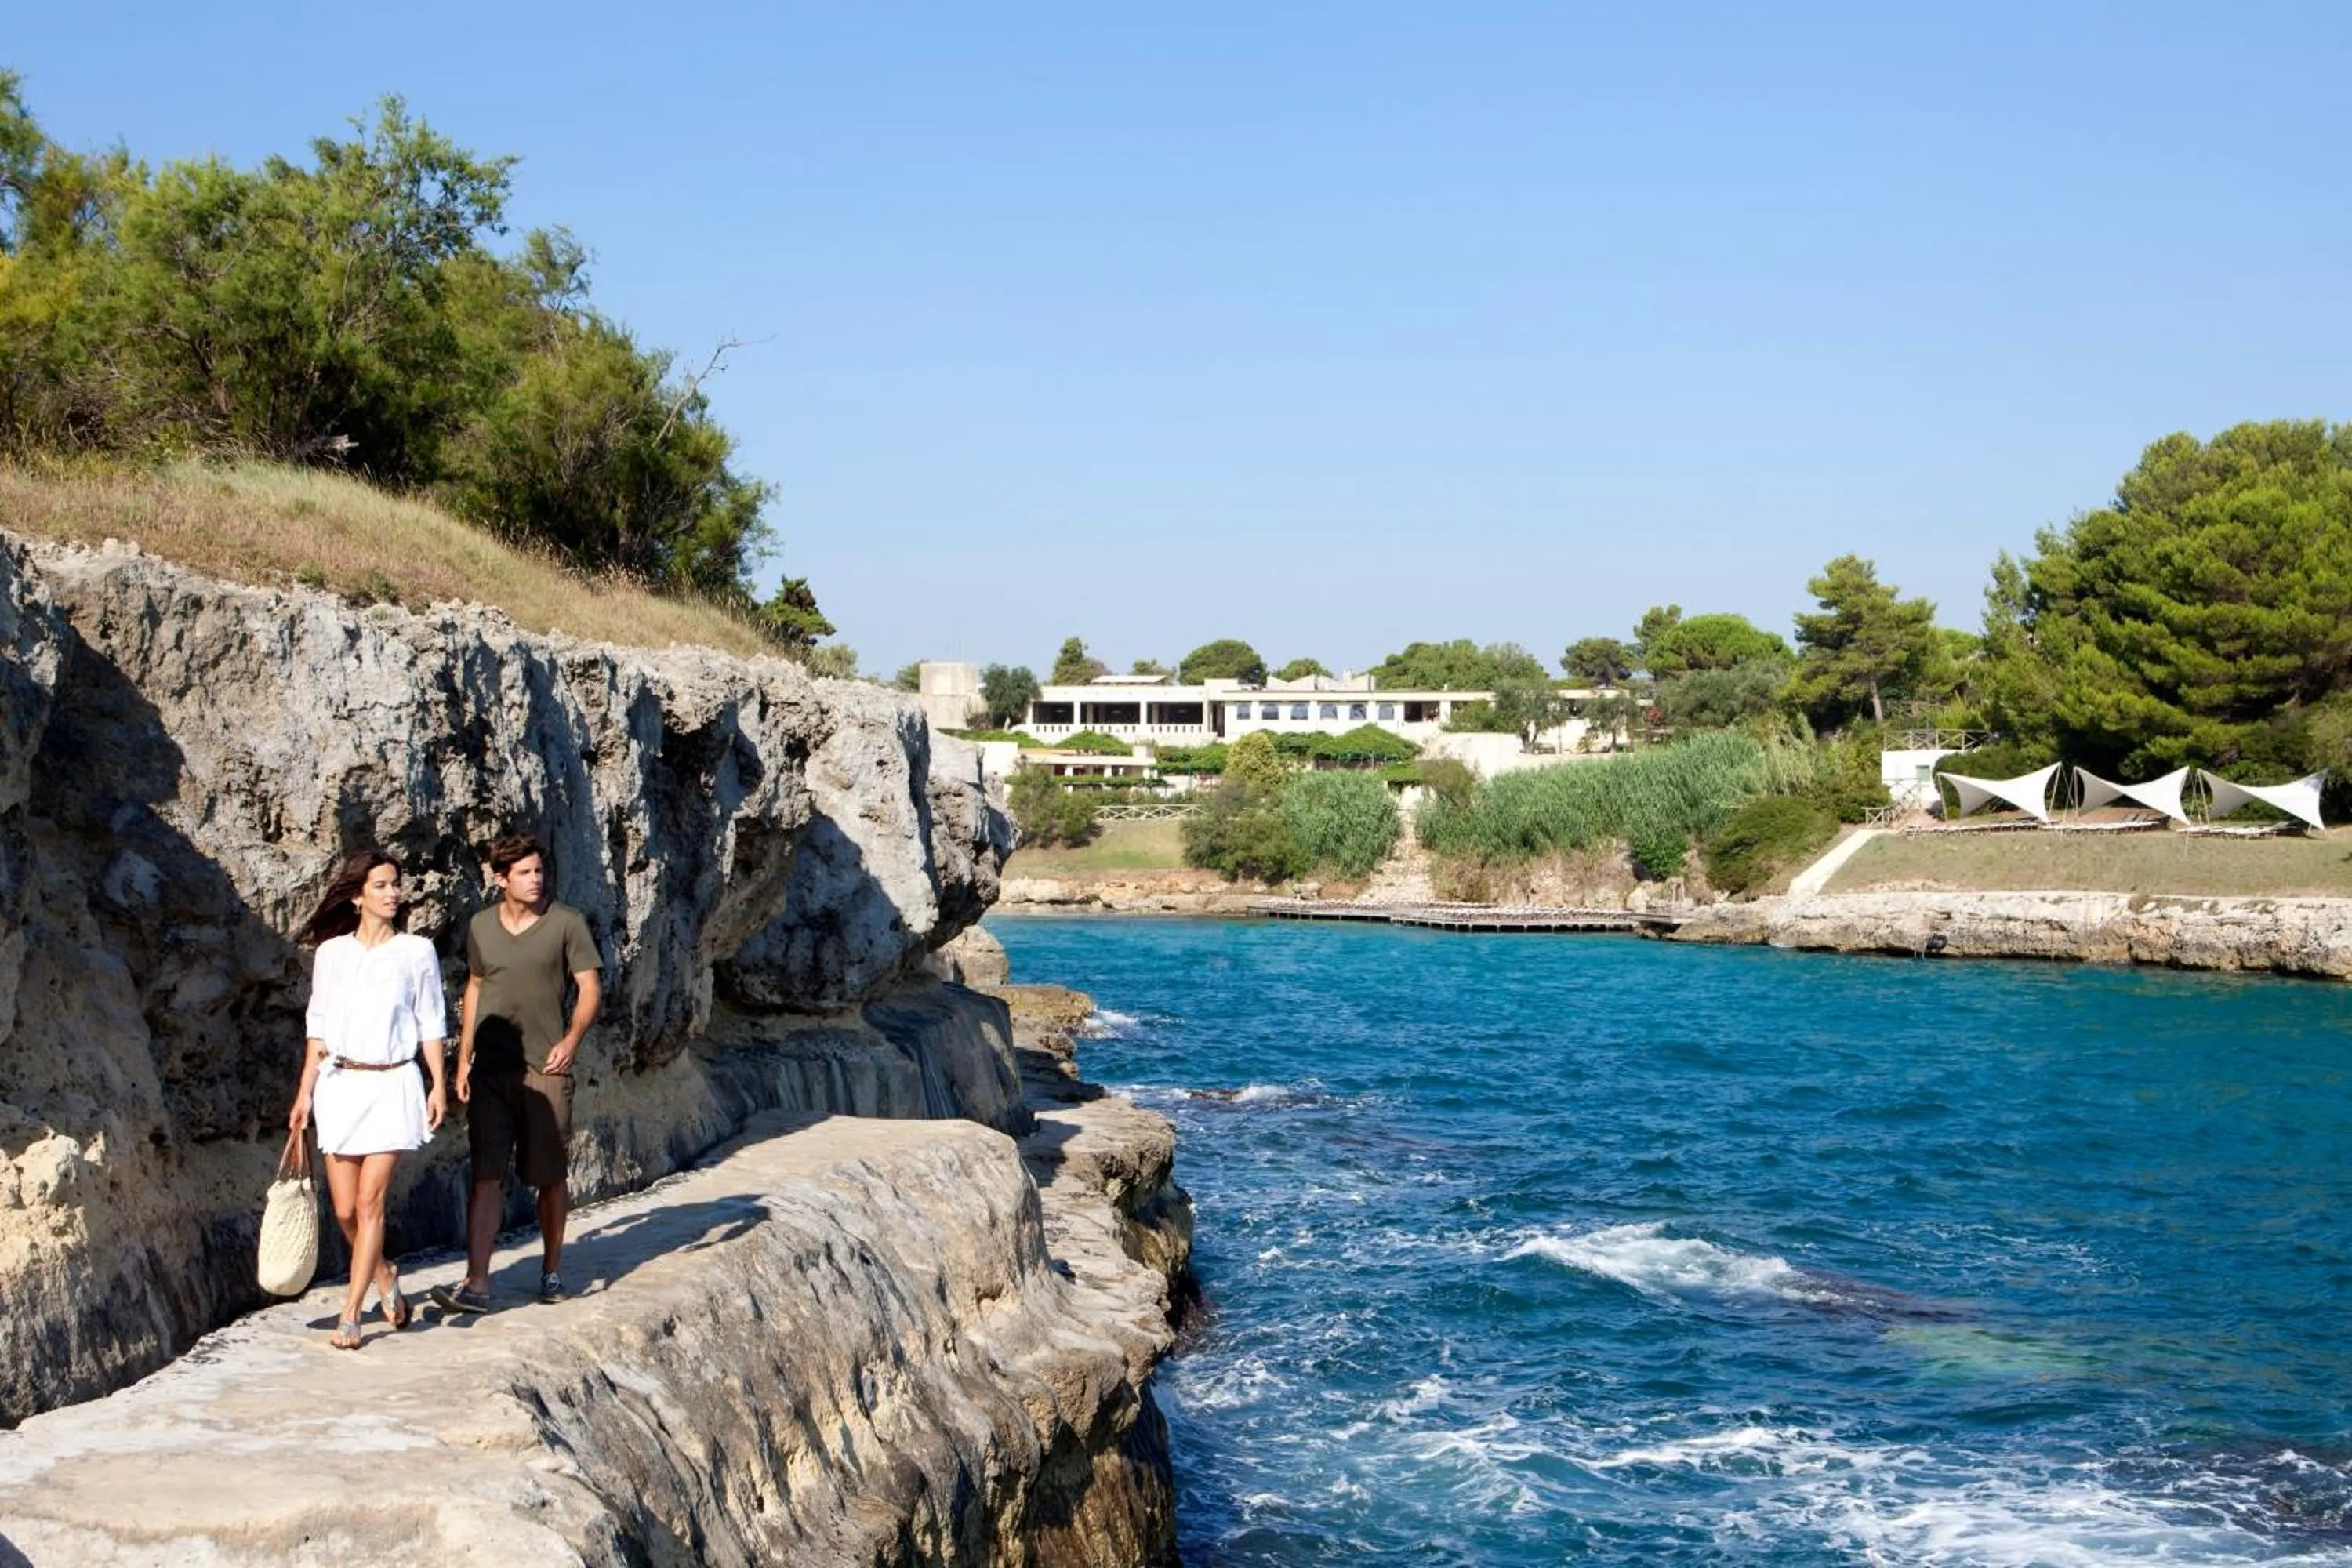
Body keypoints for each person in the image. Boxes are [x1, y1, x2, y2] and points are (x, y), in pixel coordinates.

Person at [286, 848, 448, 1350]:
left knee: (370, 1202)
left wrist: (437, 1082)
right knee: (343, 1211)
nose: (393, 892)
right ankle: (384, 1272)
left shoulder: (417, 951)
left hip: (393, 1083)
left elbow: (431, 1023)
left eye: (396, 884)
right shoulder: (333, 954)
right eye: (380, 885)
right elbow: (318, 1027)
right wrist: (304, 1093)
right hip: (340, 1085)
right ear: (358, 896)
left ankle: (351, 1314)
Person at [432, 833, 601, 1314]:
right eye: (525, 872)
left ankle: (551, 1270)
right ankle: (478, 1282)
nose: (536, 880)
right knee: (486, 1174)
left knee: (548, 1175)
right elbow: (476, 986)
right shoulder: (481, 926)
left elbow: (590, 987)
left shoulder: (567, 923)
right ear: (500, 878)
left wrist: (571, 1041)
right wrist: (463, 1056)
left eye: (539, 871)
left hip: (545, 1068)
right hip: (491, 1070)